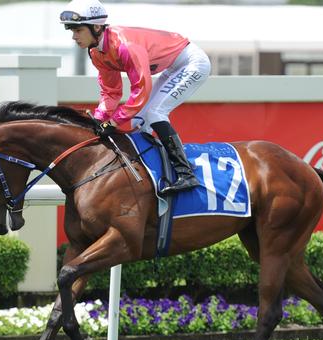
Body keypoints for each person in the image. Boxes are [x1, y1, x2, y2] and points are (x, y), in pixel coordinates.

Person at [59, 0, 211, 195]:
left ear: (96, 26)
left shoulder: (125, 46)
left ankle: (186, 173)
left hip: (191, 62)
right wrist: (98, 119)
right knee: (140, 121)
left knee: (155, 113)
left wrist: (114, 121)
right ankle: (155, 173)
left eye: (78, 30)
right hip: (173, 66)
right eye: (71, 31)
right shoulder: (96, 51)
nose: (74, 37)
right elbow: (111, 92)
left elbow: (141, 90)